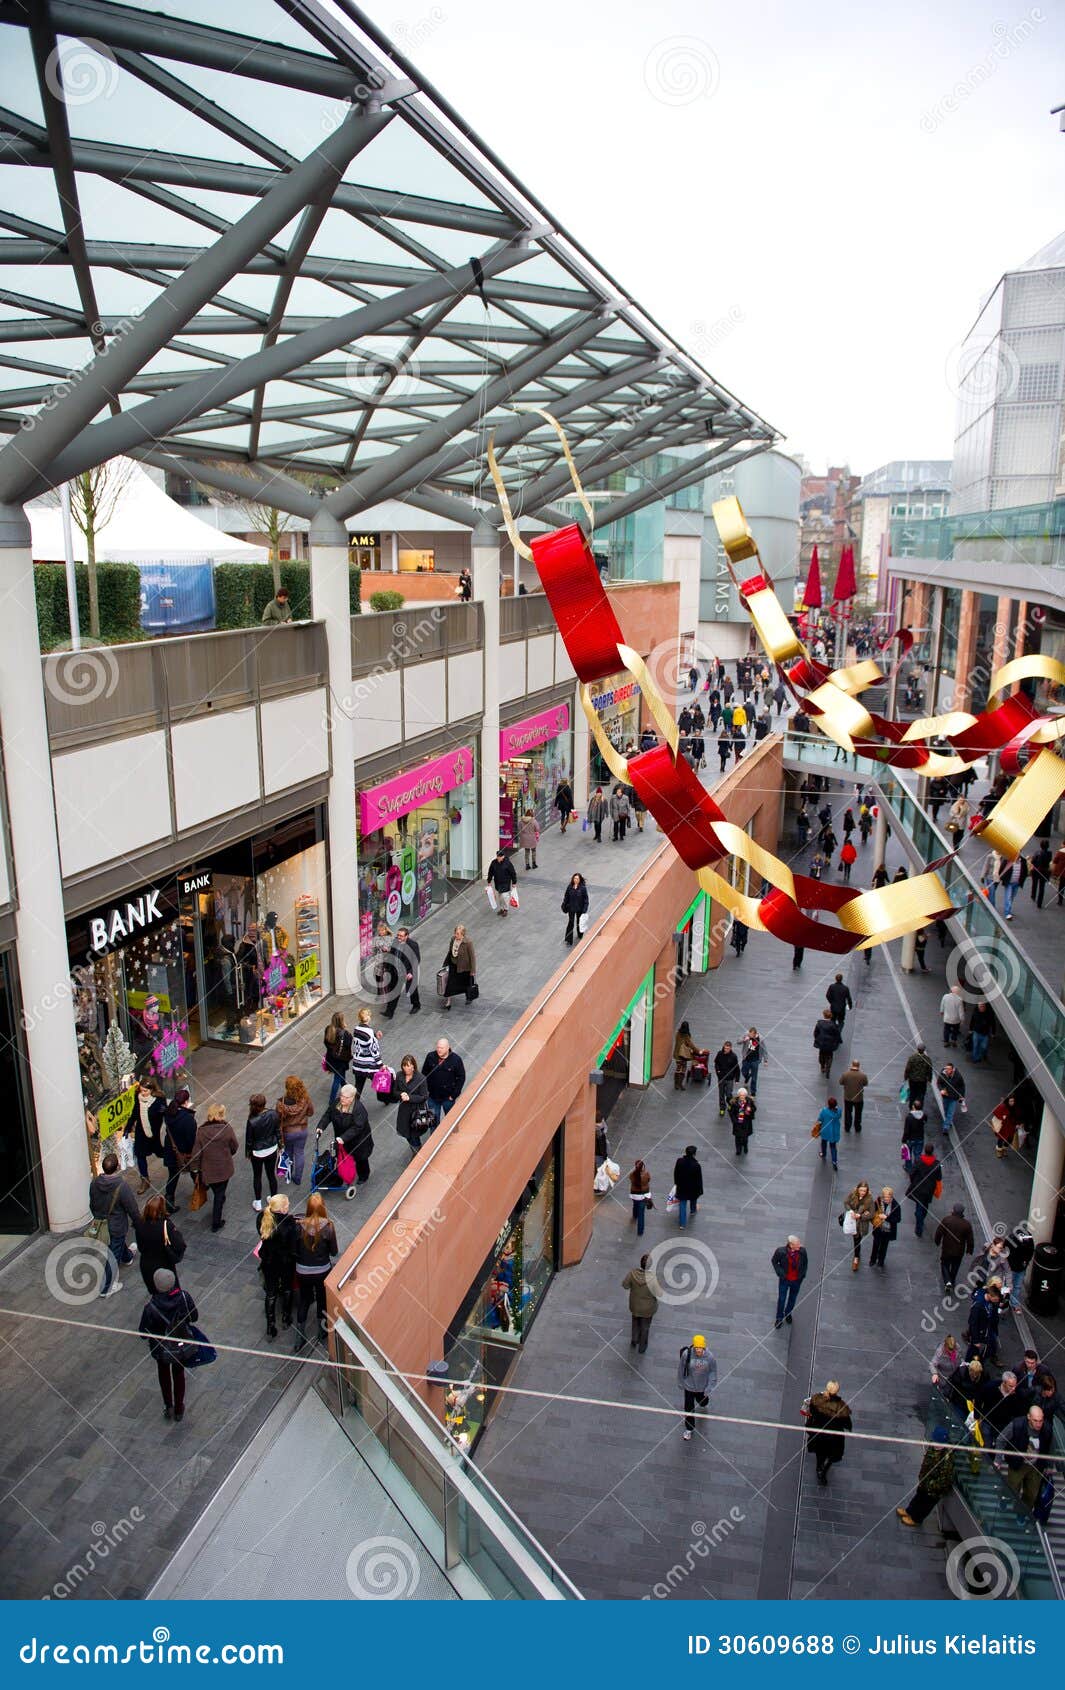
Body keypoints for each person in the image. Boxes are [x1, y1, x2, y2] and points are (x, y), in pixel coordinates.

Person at [139, 1268, 199, 1422]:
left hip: (161, 1349)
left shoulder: (150, 1308)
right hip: (180, 1344)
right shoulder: (184, 1297)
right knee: (179, 1373)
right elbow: (194, 1317)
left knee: (163, 1373)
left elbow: (143, 1333)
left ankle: (169, 1406)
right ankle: (179, 1408)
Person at [88, 1150, 141, 1297]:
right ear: (117, 1167)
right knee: (112, 1254)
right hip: (116, 1225)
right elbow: (132, 1208)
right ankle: (106, 1288)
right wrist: (138, 1223)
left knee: (116, 1245)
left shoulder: (94, 1183)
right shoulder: (121, 1186)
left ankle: (128, 1256)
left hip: (101, 1223)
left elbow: (92, 1204)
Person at [293, 1193, 338, 1350]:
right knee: (321, 1299)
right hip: (322, 1270)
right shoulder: (329, 1227)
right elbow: (334, 1252)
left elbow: (295, 1250)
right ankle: (321, 1331)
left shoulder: (298, 1226)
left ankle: (300, 1336)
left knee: (304, 1301)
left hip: (302, 1271)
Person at [191, 1103, 239, 1233]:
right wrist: (228, 1154)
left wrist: (195, 1169)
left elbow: (196, 1153)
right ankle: (216, 1222)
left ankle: (220, 1199)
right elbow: (234, 1146)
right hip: (224, 1168)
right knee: (219, 1194)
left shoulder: (201, 1131)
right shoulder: (227, 1129)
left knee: (217, 1191)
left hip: (208, 1171)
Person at [996, 1406, 1053, 1510]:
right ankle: (1004, 1498)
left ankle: (1022, 1513)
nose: (1038, 1424)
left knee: (1031, 1494)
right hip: (1018, 1463)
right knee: (1012, 1489)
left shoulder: (1047, 1429)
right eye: (1035, 1420)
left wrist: (1048, 1465)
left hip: (1036, 1466)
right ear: (1028, 1417)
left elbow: (1048, 1448)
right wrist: (997, 1461)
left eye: (1041, 1421)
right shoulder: (1017, 1425)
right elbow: (1001, 1439)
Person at [896, 1427, 956, 1527]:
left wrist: (931, 1486)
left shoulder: (946, 1458)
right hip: (925, 1481)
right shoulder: (933, 1449)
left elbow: (944, 1479)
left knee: (925, 1505)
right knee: (918, 1498)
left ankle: (916, 1519)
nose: (935, 1444)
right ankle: (909, 1511)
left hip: (934, 1489)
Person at [257, 1193, 298, 1338]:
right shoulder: (289, 1223)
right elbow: (293, 1246)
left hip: (268, 1261)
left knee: (271, 1293)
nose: (288, 1207)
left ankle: (270, 1325)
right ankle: (286, 1317)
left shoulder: (262, 1218)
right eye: (287, 1205)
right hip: (285, 1262)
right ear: (281, 1209)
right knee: (287, 1289)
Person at [134, 1194, 185, 1295]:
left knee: (155, 1293)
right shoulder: (166, 1226)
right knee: (171, 1293)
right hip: (164, 1264)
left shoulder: (139, 1223)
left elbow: (140, 1247)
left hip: (147, 1265)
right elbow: (179, 1245)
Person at [805, 1382, 852, 1486]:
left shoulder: (817, 1398)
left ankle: (819, 1467)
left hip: (819, 1432)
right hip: (834, 1436)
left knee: (820, 1452)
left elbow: (811, 1410)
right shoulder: (841, 1406)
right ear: (837, 1391)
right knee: (832, 1454)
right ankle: (824, 1470)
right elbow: (846, 1423)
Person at [126, 1079, 165, 1195]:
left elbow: (164, 1113)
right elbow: (134, 1113)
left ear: (152, 1090)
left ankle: (176, 1162)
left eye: (145, 1091)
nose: (143, 1093)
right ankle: (145, 1179)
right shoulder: (138, 1098)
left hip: (153, 1133)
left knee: (160, 1152)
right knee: (140, 1154)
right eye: (141, 1090)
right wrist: (128, 1127)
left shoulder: (159, 1100)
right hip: (141, 1133)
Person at [245, 1092, 282, 1211]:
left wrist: (248, 1153)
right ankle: (274, 1198)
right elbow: (277, 1131)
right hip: (271, 1148)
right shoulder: (273, 1114)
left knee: (257, 1176)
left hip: (257, 1152)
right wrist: (280, 1145)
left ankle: (258, 1202)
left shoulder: (252, 1121)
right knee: (271, 1175)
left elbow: (249, 1140)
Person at [161, 1088, 197, 1212]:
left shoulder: (169, 1113)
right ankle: (200, 1188)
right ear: (186, 1101)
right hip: (184, 1152)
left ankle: (169, 1202)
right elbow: (191, 1139)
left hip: (171, 1150)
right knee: (194, 1170)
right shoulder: (188, 1119)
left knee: (172, 1176)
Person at [677, 1334, 717, 1441]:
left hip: (702, 1387)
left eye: (700, 1348)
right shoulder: (687, 1354)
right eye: (696, 1347)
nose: (698, 1350)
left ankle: (704, 1402)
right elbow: (681, 1368)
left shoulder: (710, 1357)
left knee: (702, 1401)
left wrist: (709, 1387)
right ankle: (689, 1429)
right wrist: (681, 1381)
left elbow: (713, 1372)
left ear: (703, 1347)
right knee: (688, 1407)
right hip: (689, 1386)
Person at [277, 1075, 313, 1186]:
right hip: (302, 1131)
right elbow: (311, 1113)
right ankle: (298, 1178)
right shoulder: (305, 1099)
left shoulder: (281, 1103)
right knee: (300, 1153)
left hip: (288, 1132)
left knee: (288, 1152)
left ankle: (287, 1173)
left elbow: (278, 1119)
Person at [394, 1055, 431, 1159]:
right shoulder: (399, 1075)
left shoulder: (421, 1078)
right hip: (404, 1111)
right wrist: (400, 1094)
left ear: (413, 1066)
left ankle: (417, 1152)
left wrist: (409, 1098)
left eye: (408, 1066)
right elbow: (395, 1091)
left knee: (414, 1135)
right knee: (406, 1133)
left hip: (416, 1111)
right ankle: (415, 1149)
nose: (406, 1068)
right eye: (404, 1066)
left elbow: (424, 1096)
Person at [423, 1038, 466, 1125]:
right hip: (432, 1097)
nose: (439, 1050)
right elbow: (424, 1074)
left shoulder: (456, 1060)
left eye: (441, 1048)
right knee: (433, 1123)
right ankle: (435, 1138)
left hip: (448, 1098)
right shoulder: (430, 1056)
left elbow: (461, 1077)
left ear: (448, 1048)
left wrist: (454, 1095)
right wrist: (426, 1091)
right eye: (438, 1047)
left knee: (450, 1122)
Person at [934, 1202, 974, 1292]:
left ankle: (947, 1281)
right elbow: (970, 1239)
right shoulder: (966, 1224)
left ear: (954, 1210)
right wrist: (969, 1249)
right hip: (959, 1251)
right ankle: (952, 1279)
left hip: (947, 1249)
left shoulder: (947, 1220)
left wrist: (937, 1241)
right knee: (956, 1265)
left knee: (944, 1264)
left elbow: (939, 1232)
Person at [907, 1144, 942, 1239]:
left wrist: (913, 1181)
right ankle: (921, 1218)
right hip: (929, 1189)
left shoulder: (918, 1161)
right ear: (932, 1151)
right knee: (925, 1205)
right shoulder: (936, 1164)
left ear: (925, 1151)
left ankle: (919, 1225)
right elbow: (939, 1178)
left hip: (918, 1187)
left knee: (919, 1205)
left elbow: (912, 1173)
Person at [772, 1235, 807, 1327]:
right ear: (791, 1245)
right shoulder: (781, 1251)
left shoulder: (802, 1251)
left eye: (799, 1243)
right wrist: (780, 1273)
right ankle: (779, 1318)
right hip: (785, 1280)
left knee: (792, 1298)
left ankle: (788, 1313)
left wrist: (802, 1275)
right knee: (782, 1299)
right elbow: (774, 1261)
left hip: (797, 1280)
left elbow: (805, 1263)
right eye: (797, 1244)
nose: (800, 1245)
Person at [349, 1006, 383, 1098]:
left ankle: (353, 1105)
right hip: (369, 1065)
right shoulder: (369, 1032)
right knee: (379, 1083)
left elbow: (363, 1041)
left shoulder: (356, 1029)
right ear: (368, 1018)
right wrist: (380, 1064)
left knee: (358, 1086)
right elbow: (374, 1050)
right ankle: (385, 1099)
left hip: (358, 1064)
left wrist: (375, 1036)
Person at [440, 923, 476, 1009]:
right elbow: (450, 951)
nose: (456, 935)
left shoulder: (468, 942)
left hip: (464, 967)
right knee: (450, 983)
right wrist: (446, 963)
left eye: (458, 934)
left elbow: (472, 957)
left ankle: (469, 997)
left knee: (467, 983)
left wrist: (473, 970)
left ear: (462, 934)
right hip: (453, 965)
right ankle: (448, 1003)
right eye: (455, 933)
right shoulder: (453, 939)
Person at [967, 1283, 1002, 1363]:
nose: (996, 1302)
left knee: (992, 1344)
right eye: (995, 1300)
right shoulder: (978, 1306)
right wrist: (975, 1340)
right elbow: (973, 1323)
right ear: (990, 1295)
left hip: (986, 1328)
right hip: (979, 1331)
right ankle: (970, 1364)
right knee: (973, 1350)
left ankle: (980, 1360)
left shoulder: (990, 1301)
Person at [322, 1011, 352, 1106]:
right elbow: (348, 1045)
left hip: (331, 1058)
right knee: (337, 1079)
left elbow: (326, 1043)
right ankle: (331, 1101)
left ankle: (345, 1087)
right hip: (341, 1060)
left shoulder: (328, 1029)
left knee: (340, 1075)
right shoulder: (345, 1034)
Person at [843, 1180, 875, 1268]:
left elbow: (872, 1214)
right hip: (852, 1221)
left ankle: (856, 1258)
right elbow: (846, 1202)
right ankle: (857, 1255)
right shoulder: (853, 1194)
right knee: (855, 1239)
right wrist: (850, 1211)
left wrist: (860, 1216)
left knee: (857, 1240)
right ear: (857, 1189)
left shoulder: (869, 1199)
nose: (862, 1193)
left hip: (861, 1224)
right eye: (861, 1190)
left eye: (864, 1191)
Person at [870, 1186, 901, 1270]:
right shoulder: (878, 1201)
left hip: (888, 1230)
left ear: (892, 1196)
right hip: (878, 1228)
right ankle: (873, 1259)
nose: (886, 1199)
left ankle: (881, 1261)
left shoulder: (896, 1205)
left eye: (888, 1197)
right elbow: (872, 1210)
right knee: (875, 1244)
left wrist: (886, 1217)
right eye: (885, 1197)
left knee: (884, 1246)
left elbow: (898, 1219)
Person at [672, 1146, 703, 1227]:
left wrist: (676, 1183)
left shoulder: (679, 1161)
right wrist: (700, 1190)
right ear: (694, 1154)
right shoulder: (696, 1165)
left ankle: (682, 1224)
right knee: (693, 1199)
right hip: (693, 1188)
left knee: (682, 1204)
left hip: (682, 1186)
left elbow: (676, 1173)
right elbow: (699, 1179)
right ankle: (693, 1211)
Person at [673, 1021, 709, 1088]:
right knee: (683, 1070)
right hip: (683, 1056)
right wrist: (699, 1051)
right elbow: (691, 1045)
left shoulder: (677, 1034)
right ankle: (680, 1084)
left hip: (677, 1055)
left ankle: (676, 1084)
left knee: (678, 1069)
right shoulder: (686, 1035)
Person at [1007, 1227, 1035, 1304]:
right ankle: (1005, 1302)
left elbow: (1031, 1251)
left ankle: (1014, 1303)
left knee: (1017, 1286)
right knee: (1008, 1286)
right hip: (1011, 1268)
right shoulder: (1011, 1240)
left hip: (1021, 1268)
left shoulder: (1028, 1241)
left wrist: (1025, 1261)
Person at [486, 847, 517, 917]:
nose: (498, 858)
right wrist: (489, 881)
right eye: (497, 856)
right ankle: (502, 909)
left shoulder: (508, 863)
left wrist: (514, 882)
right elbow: (490, 872)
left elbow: (513, 873)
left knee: (505, 896)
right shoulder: (493, 863)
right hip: (497, 883)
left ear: (503, 856)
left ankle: (506, 909)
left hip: (505, 883)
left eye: (500, 857)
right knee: (499, 897)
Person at [839, 1060, 868, 1135]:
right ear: (858, 1065)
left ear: (852, 1065)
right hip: (859, 1098)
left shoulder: (845, 1074)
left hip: (848, 1097)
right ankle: (857, 1127)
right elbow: (865, 1083)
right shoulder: (863, 1075)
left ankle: (847, 1127)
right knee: (858, 1113)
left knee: (848, 1112)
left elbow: (840, 1082)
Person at [937, 1062, 966, 1134]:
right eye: (946, 1068)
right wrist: (941, 1090)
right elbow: (939, 1083)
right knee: (946, 1110)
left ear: (952, 1070)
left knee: (950, 1112)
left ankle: (946, 1127)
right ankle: (948, 1121)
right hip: (945, 1095)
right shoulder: (943, 1073)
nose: (946, 1070)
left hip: (954, 1097)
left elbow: (962, 1086)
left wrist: (962, 1096)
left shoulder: (958, 1076)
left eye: (948, 1069)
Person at [562, 873, 589, 945]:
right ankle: (568, 939)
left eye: (577, 879)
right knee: (570, 923)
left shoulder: (583, 888)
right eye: (574, 878)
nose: (575, 880)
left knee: (579, 922)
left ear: (580, 880)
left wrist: (585, 909)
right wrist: (564, 905)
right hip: (571, 908)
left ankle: (580, 934)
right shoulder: (570, 887)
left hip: (580, 908)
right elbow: (566, 897)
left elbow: (586, 899)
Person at [714, 1040, 740, 1115]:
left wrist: (737, 1079)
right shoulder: (719, 1054)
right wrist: (718, 1072)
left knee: (729, 1094)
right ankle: (722, 1108)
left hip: (730, 1078)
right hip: (721, 1078)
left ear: (731, 1048)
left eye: (728, 1048)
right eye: (725, 1048)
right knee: (721, 1094)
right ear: (724, 1047)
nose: (726, 1050)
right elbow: (716, 1063)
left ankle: (730, 1104)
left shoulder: (734, 1056)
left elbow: (736, 1068)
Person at [813, 1008, 842, 1077]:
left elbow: (815, 1033)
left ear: (824, 1015)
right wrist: (839, 1041)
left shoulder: (819, 1023)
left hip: (822, 1043)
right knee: (829, 1054)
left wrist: (817, 1039)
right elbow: (837, 1034)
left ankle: (822, 1066)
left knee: (822, 1054)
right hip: (830, 1043)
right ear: (831, 1016)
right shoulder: (833, 1025)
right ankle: (828, 1066)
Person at [991, 1094, 1021, 1159]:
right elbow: (996, 1112)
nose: (1012, 1103)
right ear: (1008, 1101)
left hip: (1012, 1126)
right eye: (1010, 1101)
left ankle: (1004, 1149)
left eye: (1013, 1101)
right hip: (1004, 1126)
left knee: (1010, 1139)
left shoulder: (1016, 1108)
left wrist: (1018, 1124)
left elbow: (1018, 1116)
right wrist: (1002, 1117)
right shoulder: (1003, 1106)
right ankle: (999, 1151)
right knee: (1001, 1138)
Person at [903, 1044, 933, 1109]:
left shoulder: (912, 1058)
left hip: (913, 1080)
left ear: (917, 1049)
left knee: (913, 1093)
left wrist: (906, 1077)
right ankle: (919, 1107)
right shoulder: (927, 1059)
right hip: (922, 1080)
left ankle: (911, 1107)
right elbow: (930, 1070)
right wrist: (930, 1079)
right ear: (924, 1050)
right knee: (921, 1094)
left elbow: (908, 1069)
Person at [816, 1096, 842, 1169]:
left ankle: (823, 1153)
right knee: (833, 1146)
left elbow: (820, 1119)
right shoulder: (838, 1112)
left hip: (825, 1130)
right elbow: (839, 1114)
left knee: (824, 1142)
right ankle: (834, 1161)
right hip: (834, 1132)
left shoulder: (824, 1111)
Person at [729, 1087, 756, 1156]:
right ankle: (738, 1149)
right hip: (738, 1122)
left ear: (746, 1095)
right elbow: (731, 1112)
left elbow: (754, 1108)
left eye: (744, 1095)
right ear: (738, 1095)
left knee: (745, 1137)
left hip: (746, 1122)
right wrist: (734, 1121)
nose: (742, 1097)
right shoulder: (734, 1102)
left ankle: (745, 1145)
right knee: (737, 1137)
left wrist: (750, 1110)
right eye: (741, 1095)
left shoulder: (749, 1101)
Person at [740, 1027, 766, 1095]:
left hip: (755, 1060)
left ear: (755, 1034)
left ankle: (753, 1092)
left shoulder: (760, 1038)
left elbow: (764, 1049)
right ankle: (747, 1077)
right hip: (746, 1059)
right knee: (743, 1072)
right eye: (749, 1034)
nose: (750, 1036)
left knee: (754, 1078)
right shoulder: (746, 1035)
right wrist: (744, 1040)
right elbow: (738, 1041)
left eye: (751, 1035)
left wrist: (765, 1060)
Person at [629, 1158, 651, 1236]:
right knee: (641, 1214)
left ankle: (635, 1216)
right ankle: (640, 1231)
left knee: (635, 1205)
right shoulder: (646, 1173)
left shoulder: (632, 1174)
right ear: (643, 1167)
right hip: (644, 1195)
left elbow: (631, 1179)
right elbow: (649, 1180)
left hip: (635, 1194)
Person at [967, 1000, 994, 1065]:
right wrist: (970, 1029)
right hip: (976, 1032)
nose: (981, 1008)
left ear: (985, 1007)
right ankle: (975, 1058)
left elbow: (993, 1023)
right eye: (980, 1006)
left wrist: (993, 1032)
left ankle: (982, 1055)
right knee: (975, 1045)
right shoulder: (976, 1013)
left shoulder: (989, 1014)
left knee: (984, 1047)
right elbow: (972, 1021)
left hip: (985, 1034)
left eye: (982, 1006)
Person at [901, 1101, 927, 1166]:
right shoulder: (924, 1115)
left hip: (910, 1138)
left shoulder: (909, 1117)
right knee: (918, 1154)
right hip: (920, 1138)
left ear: (913, 1107)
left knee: (907, 1153)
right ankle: (917, 1167)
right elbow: (925, 1122)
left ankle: (908, 1166)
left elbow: (906, 1130)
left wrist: (904, 1140)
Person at [1029, 839, 1052, 908]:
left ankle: (1033, 895)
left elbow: (1032, 861)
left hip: (1036, 870)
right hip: (1044, 871)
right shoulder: (1049, 853)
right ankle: (1039, 903)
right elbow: (1049, 861)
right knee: (1042, 887)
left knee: (1034, 883)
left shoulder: (1037, 852)